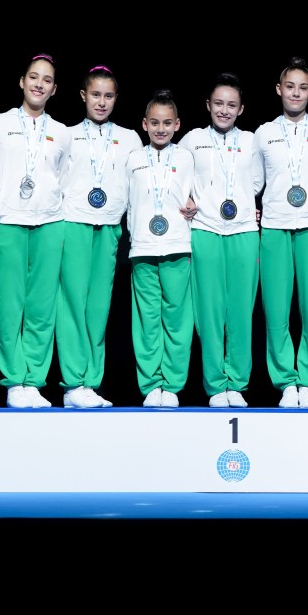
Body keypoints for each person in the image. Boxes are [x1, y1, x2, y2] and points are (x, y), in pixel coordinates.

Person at [56, 65, 142, 408]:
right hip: (74, 224)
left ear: (116, 98)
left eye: (108, 96)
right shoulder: (67, 135)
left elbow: (141, 185)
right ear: (83, 96)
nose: (102, 102)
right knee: (72, 304)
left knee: (98, 308)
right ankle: (72, 383)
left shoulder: (130, 138)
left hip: (109, 228)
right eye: (95, 95)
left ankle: (90, 382)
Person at [0, 53, 71, 409]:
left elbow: (65, 179)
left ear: (54, 89)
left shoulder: (62, 133)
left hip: (50, 224)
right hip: (8, 222)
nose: (39, 84)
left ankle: (34, 381)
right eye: (34, 77)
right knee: (9, 306)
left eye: (47, 80)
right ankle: (13, 381)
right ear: (22, 81)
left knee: (41, 308)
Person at [179, 72, 262, 408]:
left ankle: (237, 384)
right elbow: (178, 177)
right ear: (208, 105)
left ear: (241, 109)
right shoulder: (192, 139)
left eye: (231, 105)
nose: (224, 110)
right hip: (205, 231)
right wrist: (188, 198)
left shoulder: (252, 140)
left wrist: (241, 202)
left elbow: (257, 182)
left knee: (240, 312)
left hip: (243, 232)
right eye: (218, 103)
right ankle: (215, 385)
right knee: (209, 313)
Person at [254, 56, 308, 408]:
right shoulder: (264, 133)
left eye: (303, 88)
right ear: (279, 89)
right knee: (276, 310)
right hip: (274, 226)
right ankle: (286, 381)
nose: (296, 93)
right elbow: (254, 181)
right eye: (290, 87)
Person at [125, 89, 195, 408]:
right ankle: (152, 384)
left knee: (177, 319)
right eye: (154, 123)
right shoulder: (133, 159)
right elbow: (124, 200)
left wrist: (195, 203)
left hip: (178, 246)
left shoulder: (186, 157)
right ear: (144, 124)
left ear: (177, 124)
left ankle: (173, 384)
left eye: (167, 123)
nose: (161, 129)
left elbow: (202, 193)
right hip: (142, 248)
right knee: (147, 321)